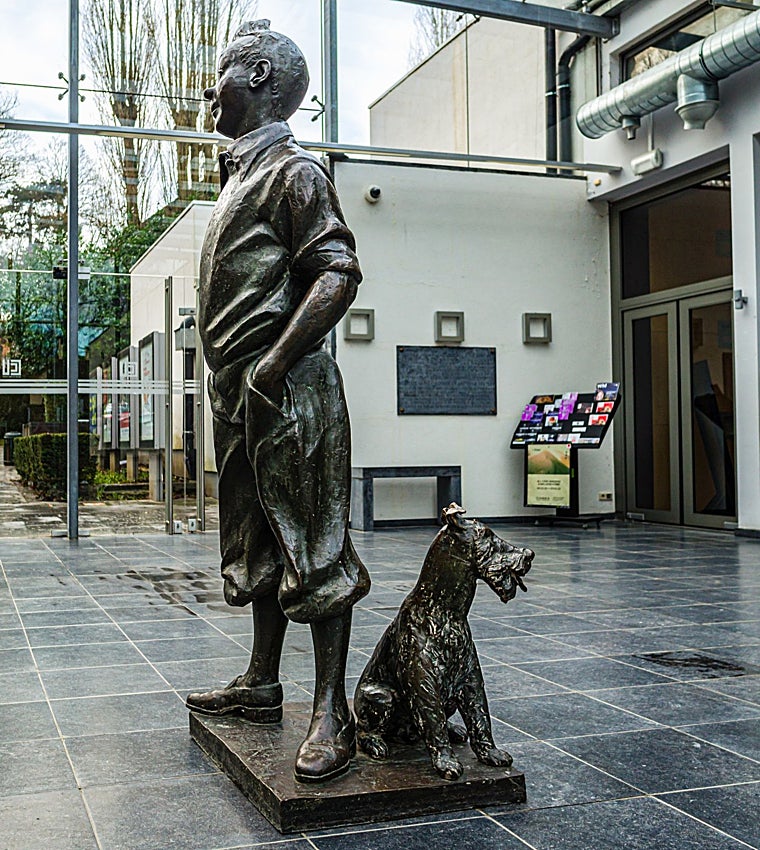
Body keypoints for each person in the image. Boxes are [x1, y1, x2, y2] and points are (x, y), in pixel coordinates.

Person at [186, 19, 370, 783]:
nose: (208, 88)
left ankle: (335, 713)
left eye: (220, 72)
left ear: (258, 76)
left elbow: (337, 272)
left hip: (287, 391)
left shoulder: (295, 170)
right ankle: (263, 680)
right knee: (258, 540)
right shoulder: (239, 177)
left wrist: (274, 364)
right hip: (242, 393)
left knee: (311, 543)